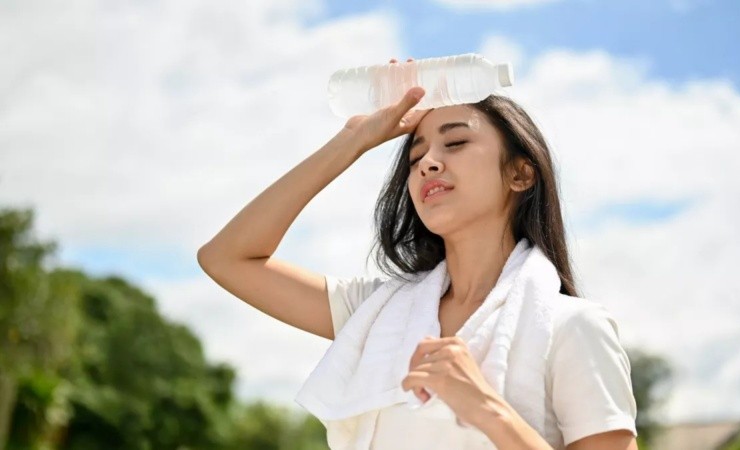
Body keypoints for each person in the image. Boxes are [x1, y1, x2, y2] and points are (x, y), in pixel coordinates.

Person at [198, 57, 638, 450]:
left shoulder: (573, 328)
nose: (428, 162)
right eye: (415, 155)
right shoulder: (376, 315)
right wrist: (352, 141)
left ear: (520, 173)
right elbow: (226, 258)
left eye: (456, 143)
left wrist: (488, 409)